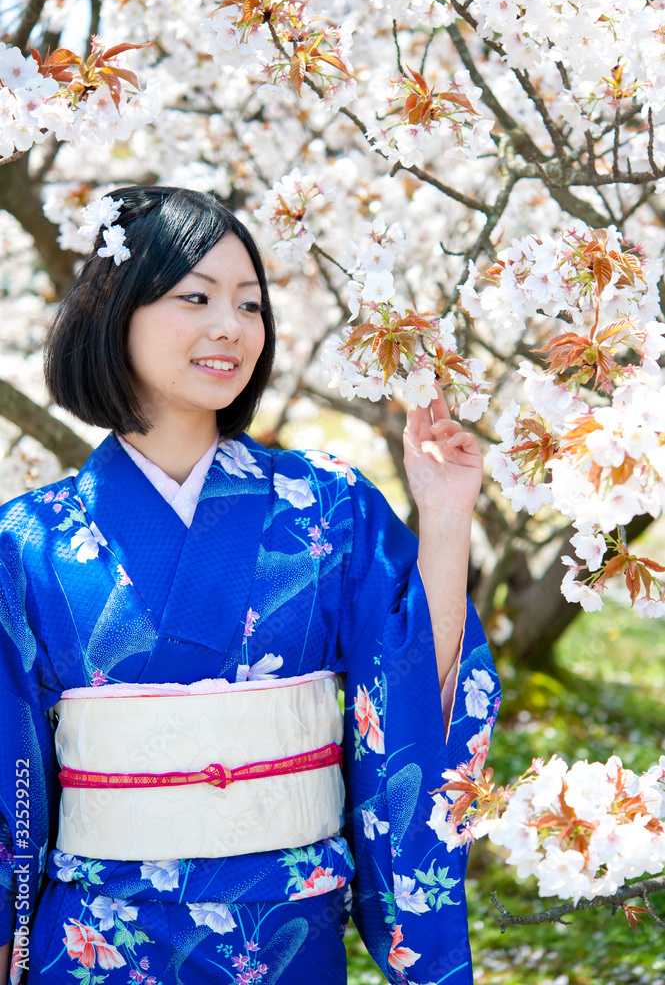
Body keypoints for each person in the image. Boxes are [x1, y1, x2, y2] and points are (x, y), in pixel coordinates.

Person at [0, 185, 500, 984]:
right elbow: (6, 770)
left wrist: (444, 518)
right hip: (100, 935)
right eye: (194, 297)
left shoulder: (327, 504)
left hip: (284, 927)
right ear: (113, 310)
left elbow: (408, 687)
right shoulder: (27, 539)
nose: (230, 326)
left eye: (250, 304)